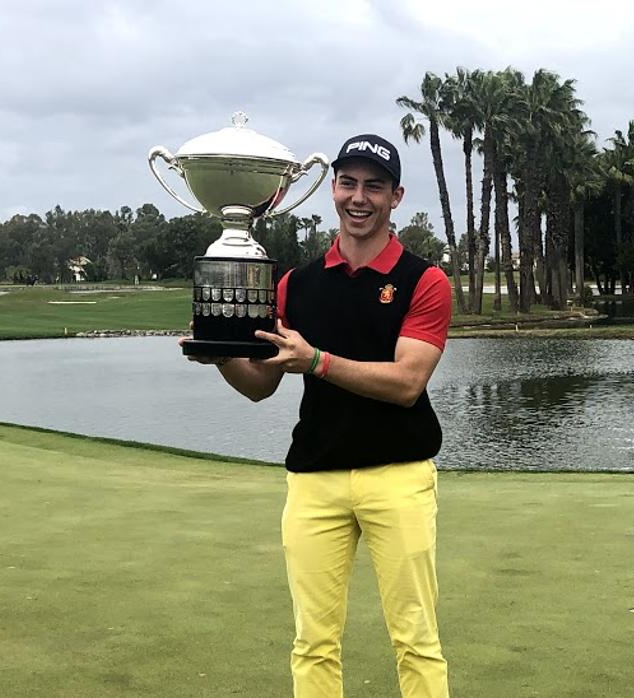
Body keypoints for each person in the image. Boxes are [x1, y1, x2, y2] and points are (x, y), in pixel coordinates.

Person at [183, 133, 452, 697]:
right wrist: (220, 353)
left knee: (415, 639)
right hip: (315, 479)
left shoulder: (423, 281)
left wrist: (318, 361)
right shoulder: (295, 285)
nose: (360, 198)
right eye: (349, 183)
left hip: (398, 476)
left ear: (396, 196)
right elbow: (259, 385)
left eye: (374, 187)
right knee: (313, 642)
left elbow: (406, 383)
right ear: (333, 189)